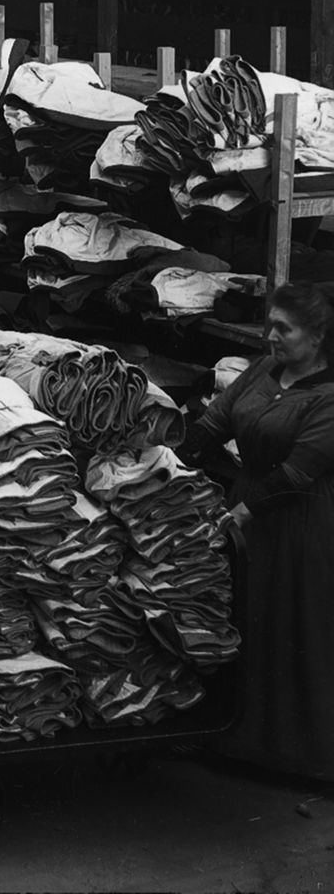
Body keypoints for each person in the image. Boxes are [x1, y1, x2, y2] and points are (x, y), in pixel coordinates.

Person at [181, 282, 334, 782]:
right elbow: (215, 421)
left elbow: (298, 472)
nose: (270, 336)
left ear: (317, 336)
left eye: (282, 329)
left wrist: (244, 511)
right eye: (268, 324)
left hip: (297, 523)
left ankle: (300, 755)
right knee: (244, 616)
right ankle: (237, 736)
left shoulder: (328, 396)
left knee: (290, 623)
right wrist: (174, 460)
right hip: (244, 508)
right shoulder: (265, 370)